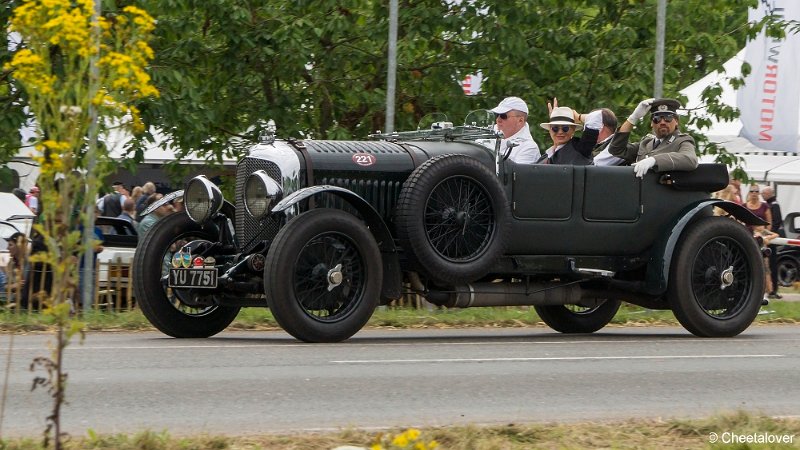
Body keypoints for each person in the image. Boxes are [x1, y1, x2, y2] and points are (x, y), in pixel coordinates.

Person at [607, 98, 698, 177]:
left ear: (676, 121)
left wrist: (655, 160)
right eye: (657, 118)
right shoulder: (646, 143)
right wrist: (632, 118)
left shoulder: (682, 140)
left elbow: (690, 159)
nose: (662, 122)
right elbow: (616, 149)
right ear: (651, 123)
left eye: (668, 118)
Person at [489, 97, 541, 164]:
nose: (498, 120)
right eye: (497, 115)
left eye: (503, 116)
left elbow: (516, 174)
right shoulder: (486, 135)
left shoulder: (529, 148)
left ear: (520, 121)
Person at [762, 186, 784, 299]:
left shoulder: (774, 204)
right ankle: (769, 289)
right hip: (767, 238)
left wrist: (770, 235)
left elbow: (776, 222)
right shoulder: (768, 204)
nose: (762, 195)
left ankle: (773, 289)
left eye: (764, 193)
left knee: (772, 264)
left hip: (771, 239)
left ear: (770, 193)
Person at [3, 232, 28, 306]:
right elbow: (5, 287)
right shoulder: (10, 264)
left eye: (10, 245)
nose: (7, 248)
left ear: (19, 246)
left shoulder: (31, 262)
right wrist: (15, 285)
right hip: (15, 300)